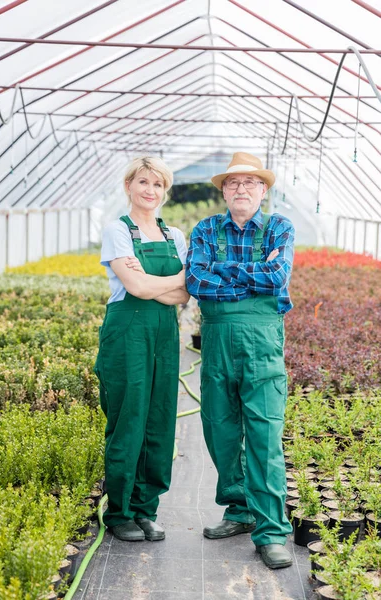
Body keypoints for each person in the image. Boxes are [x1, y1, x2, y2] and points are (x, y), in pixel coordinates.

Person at [186, 152, 295, 569]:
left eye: (250, 183)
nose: (241, 189)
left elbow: (277, 277)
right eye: (233, 183)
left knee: (264, 436)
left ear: (263, 190)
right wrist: (249, 274)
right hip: (216, 342)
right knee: (220, 429)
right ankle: (239, 511)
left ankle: (271, 532)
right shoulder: (206, 228)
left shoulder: (279, 227)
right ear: (224, 191)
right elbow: (197, 281)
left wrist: (224, 272)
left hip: (262, 342)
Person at [94, 156, 189, 542]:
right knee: (129, 419)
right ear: (129, 186)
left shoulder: (175, 235)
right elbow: (137, 290)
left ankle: (146, 509)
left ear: (164, 192)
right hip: (127, 334)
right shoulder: (117, 230)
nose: (151, 191)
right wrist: (175, 278)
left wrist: (158, 281)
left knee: (159, 420)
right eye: (144, 183)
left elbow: (183, 295)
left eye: (158, 185)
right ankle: (118, 512)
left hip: (165, 335)